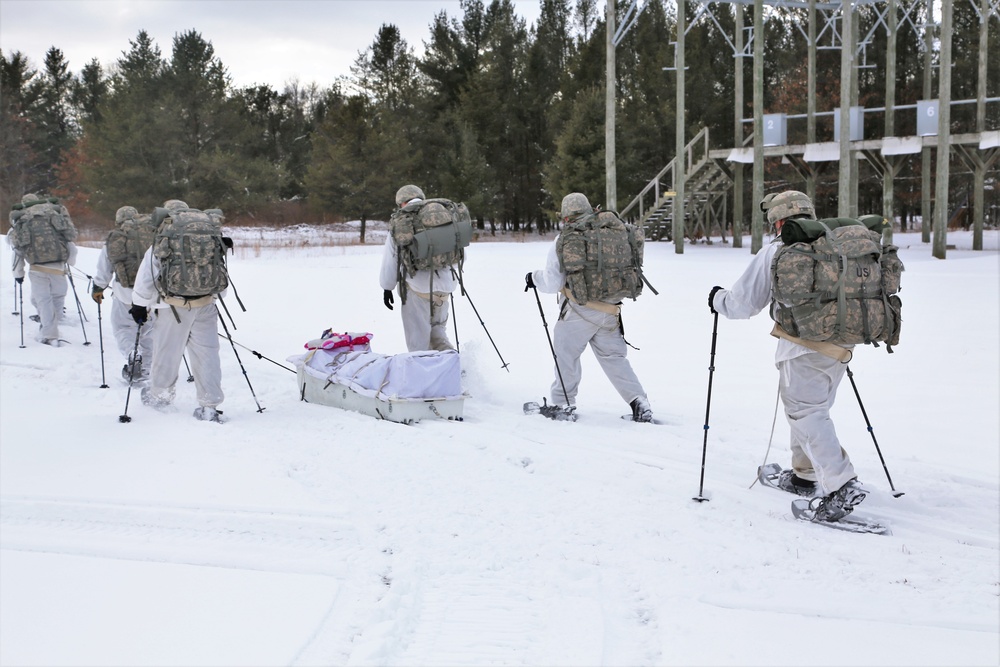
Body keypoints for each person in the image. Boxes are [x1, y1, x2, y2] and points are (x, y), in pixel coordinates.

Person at [708, 190, 867, 521]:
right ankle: (804, 475)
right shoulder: (835, 245)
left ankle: (842, 485)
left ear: (778, 221)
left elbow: (743, 303)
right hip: (842, 346)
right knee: (811, 411)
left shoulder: (778, 249)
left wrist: (717, 300)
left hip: (803, 348)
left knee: (806, 413)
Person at [525, 192, 653, 422]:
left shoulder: (566, 239)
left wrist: (534, 278)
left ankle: (562, 404)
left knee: (566, 355)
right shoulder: (614, 232)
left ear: (565, 217)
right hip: (611, 309)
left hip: (578, 310)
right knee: (614, 358)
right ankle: (639, 402)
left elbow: (553, 282)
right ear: (591, 209)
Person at [131, 199, 227, 422]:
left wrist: (139, 304)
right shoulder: (209, 236)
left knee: (167, 353)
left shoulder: (165, 238)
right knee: (208, 355)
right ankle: (209, 406)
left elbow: (147, 276)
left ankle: (161, 397)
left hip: (172, 307)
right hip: (206, 305)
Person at [379, 184, 457, 352]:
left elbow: (391, 259)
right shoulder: (442, 216)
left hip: (417, 289)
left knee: (418, 342)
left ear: (402, 203)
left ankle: (422, 374)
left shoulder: (402, 222)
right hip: (445, 289)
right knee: (438, 334)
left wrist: (387, 288)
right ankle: (454, 368)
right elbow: (456, 253)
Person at [92, 206, 156, 382]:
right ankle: (147, 370)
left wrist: (98, 288)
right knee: (150, 332)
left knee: (123, 328)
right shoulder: (153, 233)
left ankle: (132, 353)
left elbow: (104, 269)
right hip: (152, 294)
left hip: (125, 292)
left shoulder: (116, 237)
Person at [9, 194, 78, 347]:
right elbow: (70, 240)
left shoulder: (22, 220)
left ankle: (49, 334)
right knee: (58, 294)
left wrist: (18, 274)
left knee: (42, 300)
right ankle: (57, 317)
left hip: (37, 267)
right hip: (59, 265)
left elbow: (18, 252)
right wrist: (69, 261)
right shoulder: (54, 215)